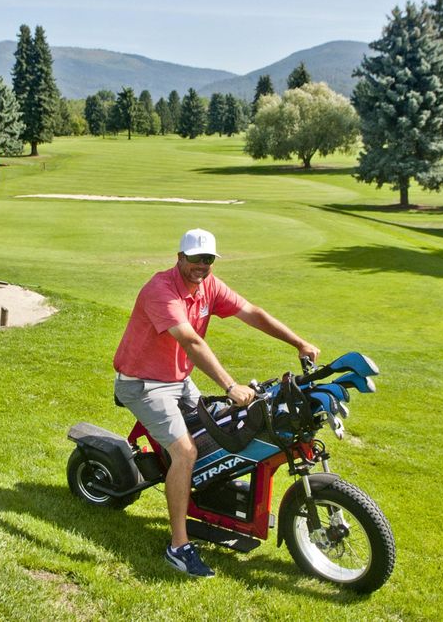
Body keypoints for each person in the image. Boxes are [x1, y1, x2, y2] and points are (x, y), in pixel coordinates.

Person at [113, 228, 320, 578]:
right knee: (186, 452)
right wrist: (229, 385)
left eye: (207, 259)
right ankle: (178, 546)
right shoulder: (159, 291)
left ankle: (208, 497)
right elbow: (191, 341)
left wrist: (297, 342)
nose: (201, 265)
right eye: (194, 258)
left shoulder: (209, 284)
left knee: (220, 431)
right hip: (145, 385)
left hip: (178, 380)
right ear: (179, 257)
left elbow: (251, 312)